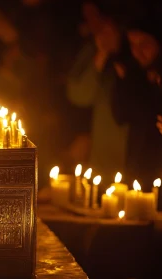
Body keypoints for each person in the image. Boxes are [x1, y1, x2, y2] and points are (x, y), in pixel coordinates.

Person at [67, 1, 126, 177]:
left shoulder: (137, 47)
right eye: (88, 17)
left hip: (134, 151)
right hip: (104, 158)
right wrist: (101, 55)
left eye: (96, 16)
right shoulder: (91, 51)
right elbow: (78, 95)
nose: (94, 23)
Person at [109, 17, 162, 190]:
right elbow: (121, 116)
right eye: (132, 45)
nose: (137, 52)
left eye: (144, 44)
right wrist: (124, 82)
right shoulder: (133, 73)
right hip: (138, 169)